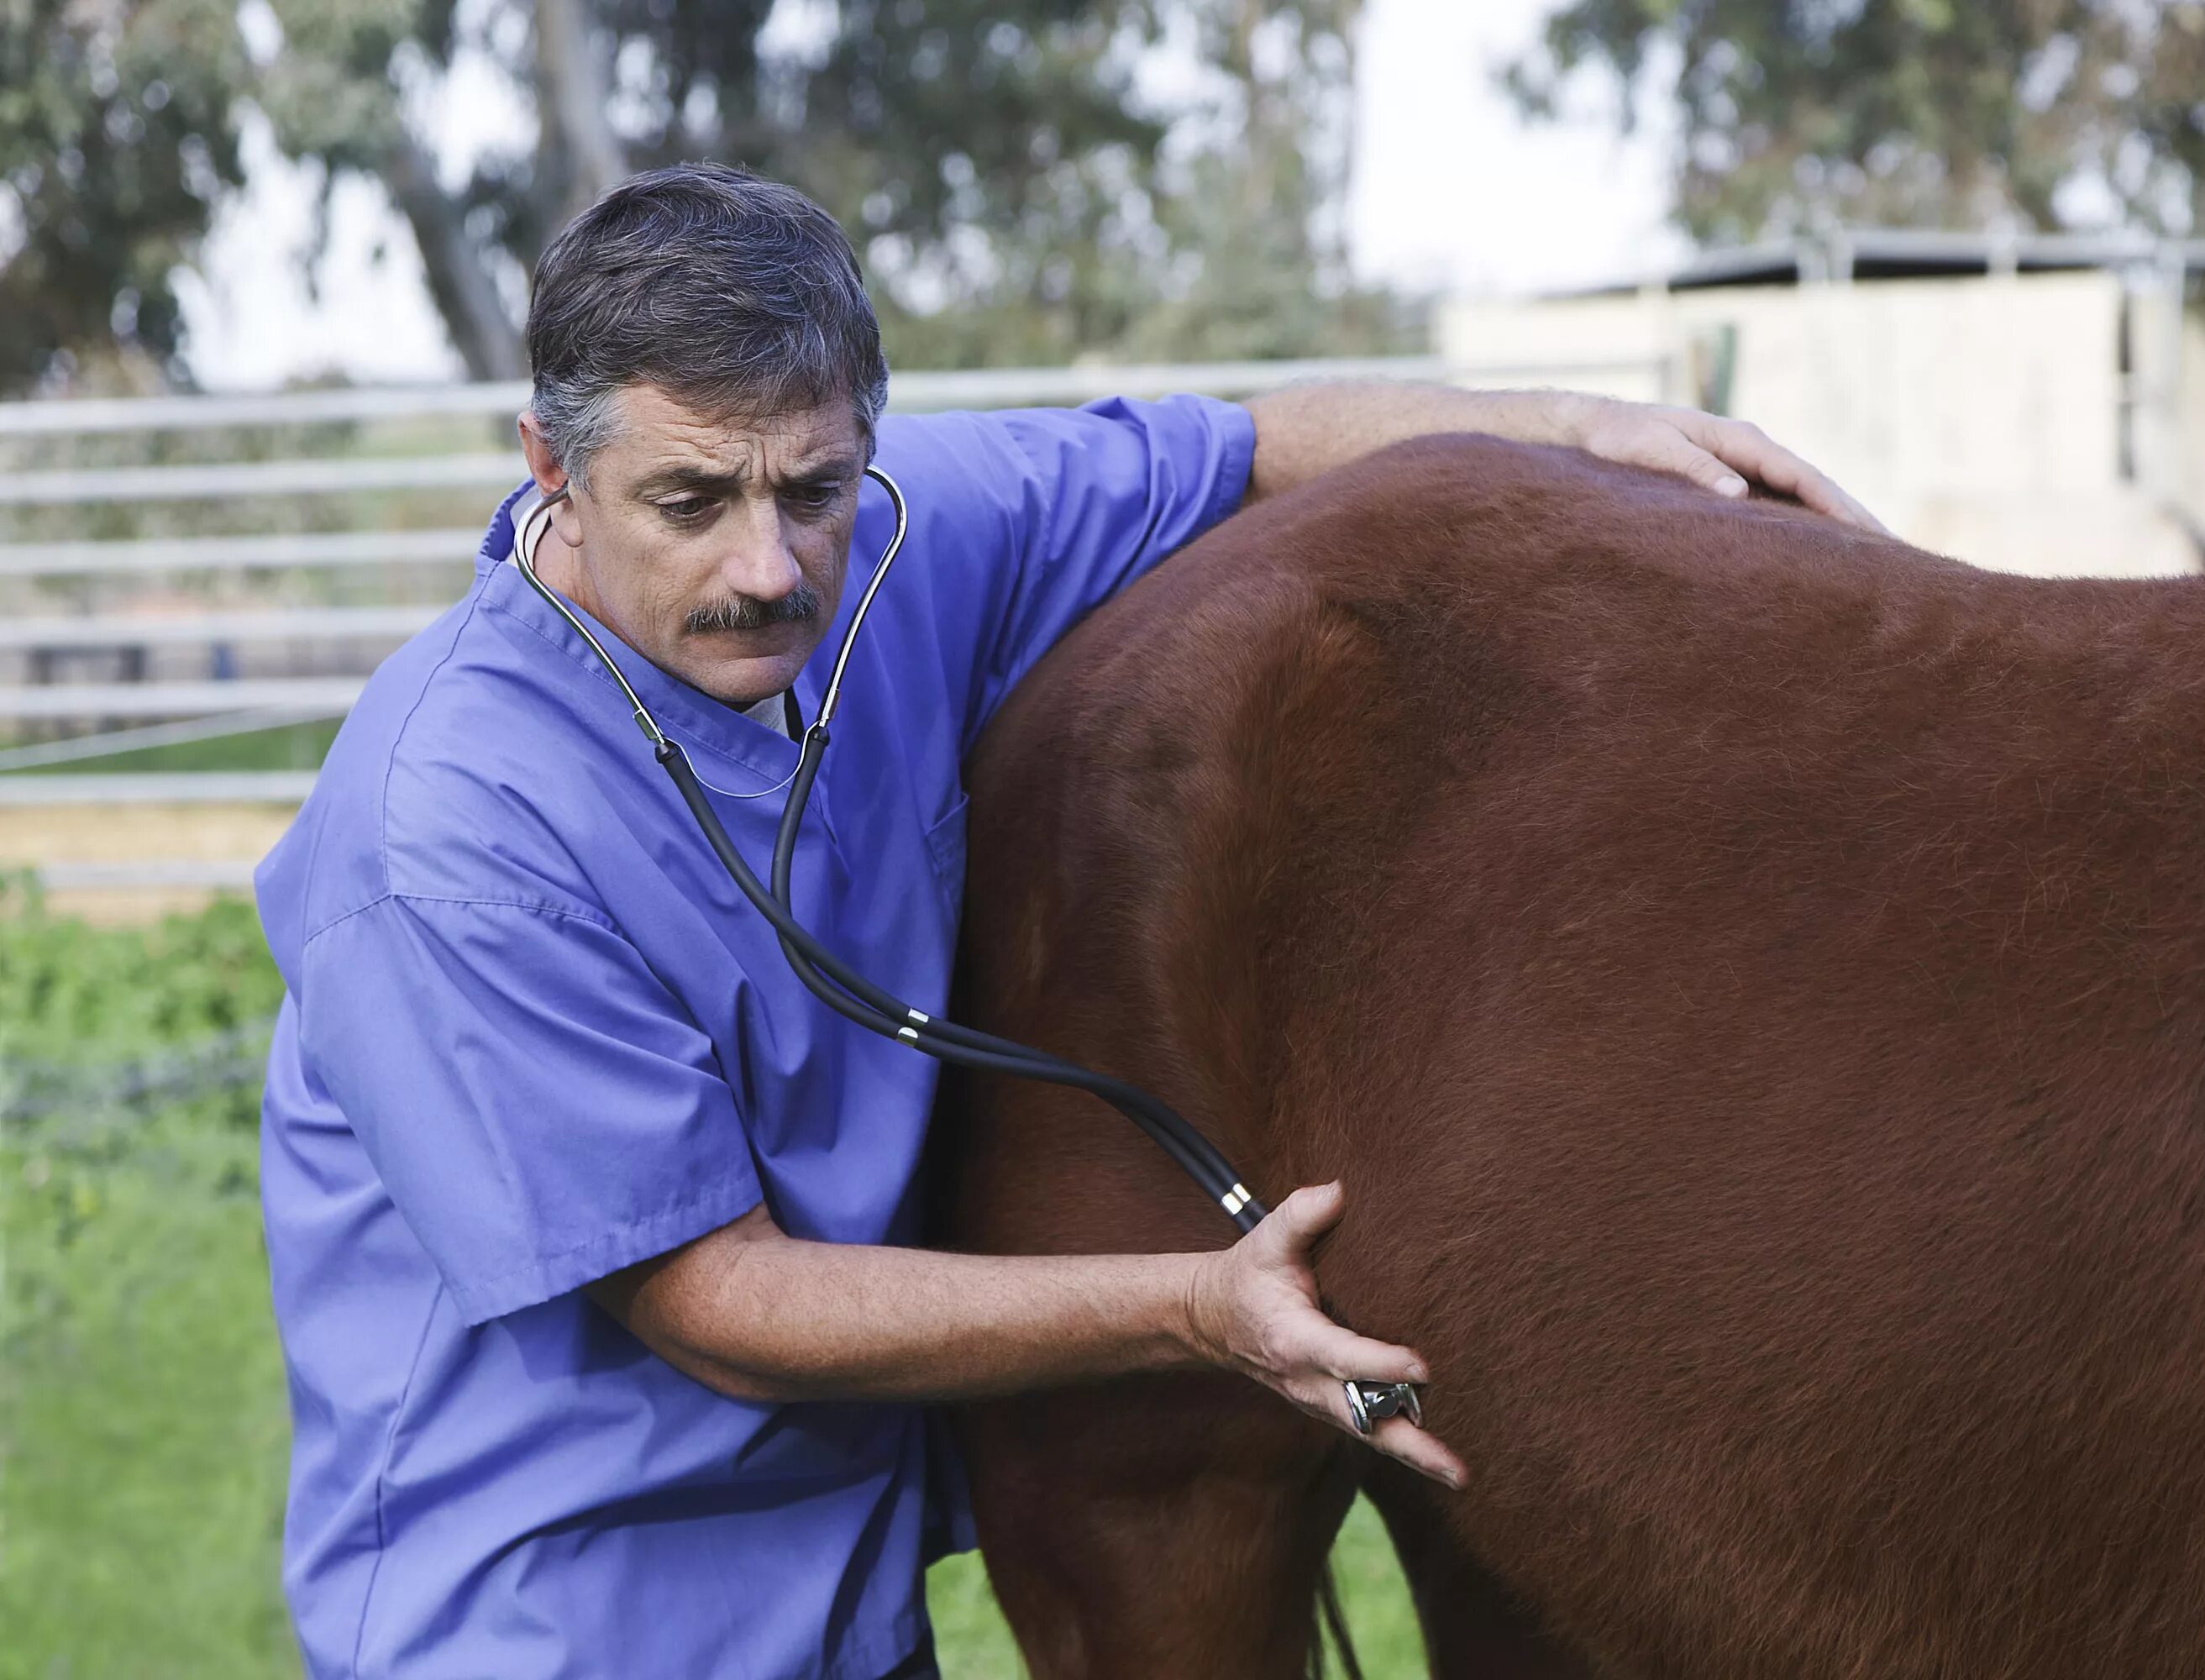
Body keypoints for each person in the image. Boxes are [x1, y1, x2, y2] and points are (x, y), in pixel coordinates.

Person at [255, 161, 1877, 1680]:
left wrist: (1576, 431)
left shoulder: (893, 545)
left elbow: (1235, 447)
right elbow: (722, 1308)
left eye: (813, 485)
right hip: (547, 1625)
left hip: (833, 1613)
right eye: (689, 502)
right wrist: (1193, 1307)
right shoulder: (446, 835)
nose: (769, 565)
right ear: (552, 468)